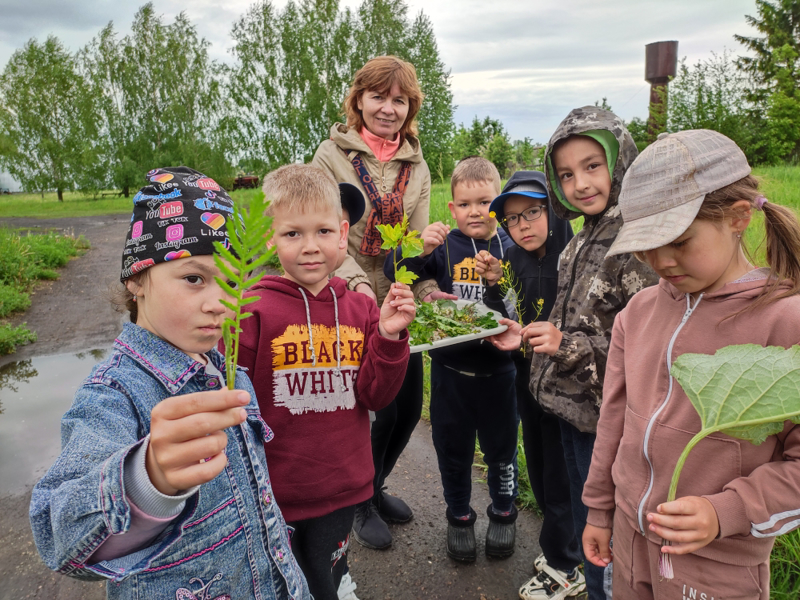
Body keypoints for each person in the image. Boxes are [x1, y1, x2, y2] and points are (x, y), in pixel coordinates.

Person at [29, 167, 309, 600]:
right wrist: (148, 479)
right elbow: (58, 534)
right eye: (194, 278)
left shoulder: (225, 369)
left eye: (231, 282)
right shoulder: (116, 393)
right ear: (137, 279)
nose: (219, 304)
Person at [581, 129, 800, 600]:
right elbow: (613, 424)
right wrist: (600, 510)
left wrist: (728, 511)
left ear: (739, 217)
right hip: (628, 540)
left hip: (715, 567)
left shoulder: (786, 324)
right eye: (645, 245)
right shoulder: (636, 314)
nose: (659, 261)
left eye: (679, 241)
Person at [236, 164, 415, 600]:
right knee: (281, 581)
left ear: (341, 233)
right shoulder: (251, 312)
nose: (310, 247)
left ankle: (338, 582)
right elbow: (234, 408)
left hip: (342, 485)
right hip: (274, 492)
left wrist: (389, 336)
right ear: (269, 238)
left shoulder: (361, 309)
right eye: (292, 234)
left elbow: (376, 394)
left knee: (327, 572)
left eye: (321, 232)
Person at [515, 107, 658, 599]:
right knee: (587, 521)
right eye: (567, 174)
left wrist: (566, 345)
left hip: (610, 424)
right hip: (574, 414)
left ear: (620, 161)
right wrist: (529, 335)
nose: (580, 183)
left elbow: (649, 348)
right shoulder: (578, 242)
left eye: (592, 165)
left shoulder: (638, 241)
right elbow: (570, 320)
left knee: (610, 541)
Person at [312, 55, 435, 550]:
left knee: (405, 410)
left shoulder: (418, 164)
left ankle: (374, 485)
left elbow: (414, 244)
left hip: (397, 298)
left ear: (410, 108)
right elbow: (325, 232)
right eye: (378, 97)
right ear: (358, 100)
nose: (388, 108)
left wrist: (426, 288)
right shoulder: (330, 157)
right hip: (347, 294)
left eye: (399, 100)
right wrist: (359, 290)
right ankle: (357, 502)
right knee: (367, 410)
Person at [385, 156, 519, 562]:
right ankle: (459, 515)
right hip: (449, 372)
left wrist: (497, 281)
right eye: (465, 204)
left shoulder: (510, 247)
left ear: (498, 203)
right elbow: (399, 274)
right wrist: (418, 248)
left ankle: (504, 511)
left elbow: (516, 308)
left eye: (484, 202)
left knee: (502, 452)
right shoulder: (444, 247)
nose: (475, 211)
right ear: (452, 207)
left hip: (500, 373)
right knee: (452, 449)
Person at [481, 171, 584, 598]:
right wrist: (494, 285)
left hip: (569, 392)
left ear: (555, 209)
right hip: (529, 385)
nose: (522, 226)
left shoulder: (575, 257)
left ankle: (566, 567)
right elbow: (509, 312)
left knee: (564, 480)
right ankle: (561, 547)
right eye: (511, 220)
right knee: (540, 473)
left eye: (532, 213)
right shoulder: (514, 260)